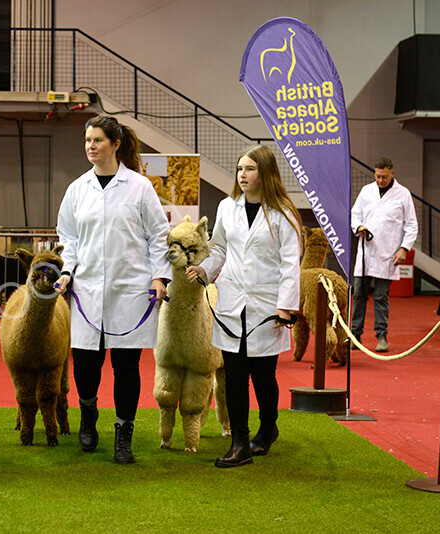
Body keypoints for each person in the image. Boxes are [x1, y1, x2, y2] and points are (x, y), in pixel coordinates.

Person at [55, 115, 171, 464]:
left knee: (126, 365)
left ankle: (124, 432)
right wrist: (66, 272)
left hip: (130, 290)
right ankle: (88, 414)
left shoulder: (140, 188)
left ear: (116, 144)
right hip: (87, 289)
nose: (91, 146)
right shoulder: (77, 189)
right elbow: (69, 239)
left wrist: (159, 277)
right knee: (86, 366)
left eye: (98, 140)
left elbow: (158, 236)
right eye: (87, 140)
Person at [186, 145, 301, 468]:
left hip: (267, 307)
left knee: (263, 376)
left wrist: (285, 307)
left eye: (249, 169)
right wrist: (205, 270)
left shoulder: (284, 213)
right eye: (240, 169)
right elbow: (220, 248)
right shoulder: (227, 206)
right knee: (234, 375)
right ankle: (240, 442)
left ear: (265, 172)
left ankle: (267, 428)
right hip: (232, 303)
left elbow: (290, 263)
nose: (243, 175)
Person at [350, 157, 418, 352]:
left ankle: (381, 335)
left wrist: (404, 248)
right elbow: (354, 215)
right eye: (378, 176)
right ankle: (355, 334)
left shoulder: (403, 194)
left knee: (381, 296)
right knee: (359, 294)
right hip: (365, 251)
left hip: (388, 253)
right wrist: (359, 227)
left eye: (384, 177)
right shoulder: (366, 191)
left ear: (392, 174)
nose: (380, 180)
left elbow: (412, 225)